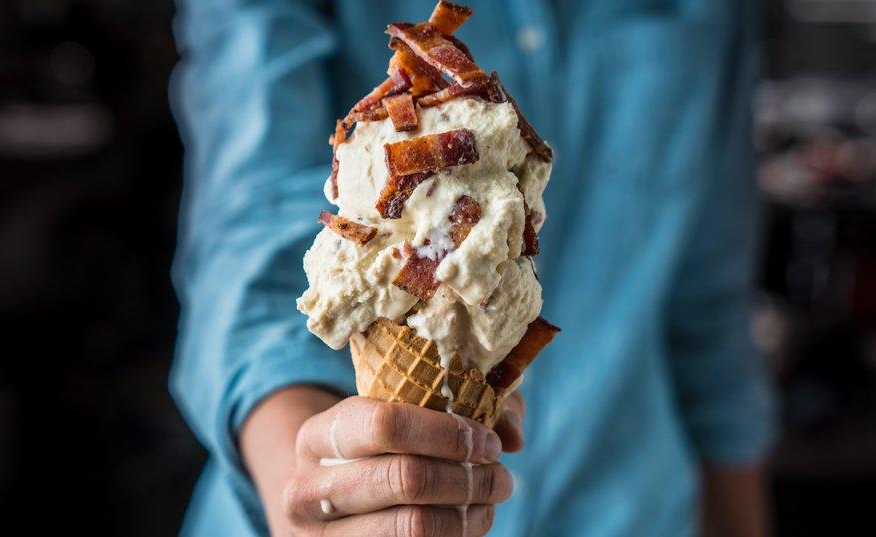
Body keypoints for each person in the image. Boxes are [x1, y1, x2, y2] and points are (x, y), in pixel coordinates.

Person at [169, 1, 774, 535]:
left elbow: (709, 311)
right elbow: (248, 241)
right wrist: (316, 489)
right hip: (285, 484)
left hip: (631, 505)